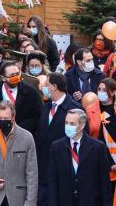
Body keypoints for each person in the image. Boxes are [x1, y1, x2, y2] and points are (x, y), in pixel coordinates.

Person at [47, 108, 112, 206]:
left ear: (82, 125)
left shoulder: (97, 147)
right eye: (66, 123)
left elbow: (104, 182)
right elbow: (52, 180)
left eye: (72, 124)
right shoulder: (56, 147)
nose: (68, 126)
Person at [36, 72, 82, 206]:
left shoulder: (74, 109)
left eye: (46, 85)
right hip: (43, 170)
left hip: (64, 172)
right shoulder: (46, 108)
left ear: (54, 87)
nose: (43, 88)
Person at [0, 61, 43, 136]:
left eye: (17, 74)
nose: (16, 77)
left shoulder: (31, 93)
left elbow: (37, 116)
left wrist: (18, 130)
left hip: (23, 136)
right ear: (3, 78)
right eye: (12, 75)